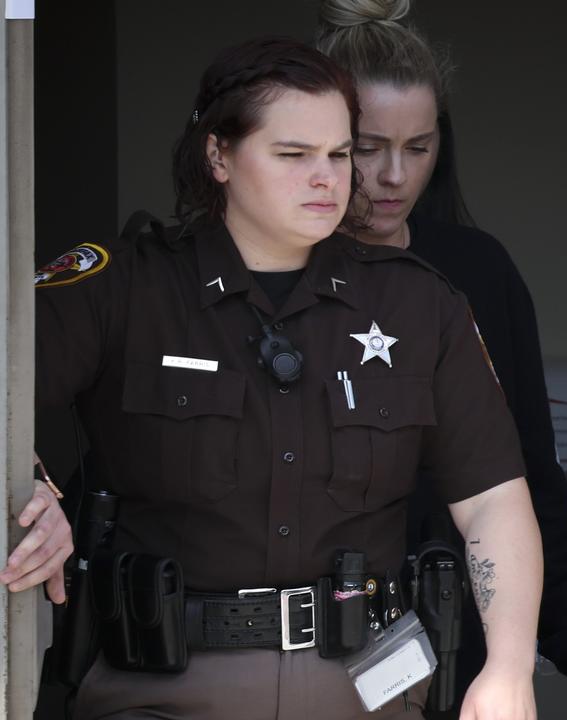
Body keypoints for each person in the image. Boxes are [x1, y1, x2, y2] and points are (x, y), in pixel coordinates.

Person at [30, 36, 540, 720]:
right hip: (163, 686)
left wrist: (508, 669)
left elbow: (492, 500)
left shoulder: (419, 304)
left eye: (338, 154)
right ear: (218, 155)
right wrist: (29, 492)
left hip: (369, 688)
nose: (327, 178)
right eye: (293, 156)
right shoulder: (122, 286)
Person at [314, 2, 567, 718]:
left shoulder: (477, 271)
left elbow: (535, 478)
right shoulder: (275, 272)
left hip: (463, 643)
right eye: (367, 147)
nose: (394, 175)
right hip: (311, 645)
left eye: (419, 147)